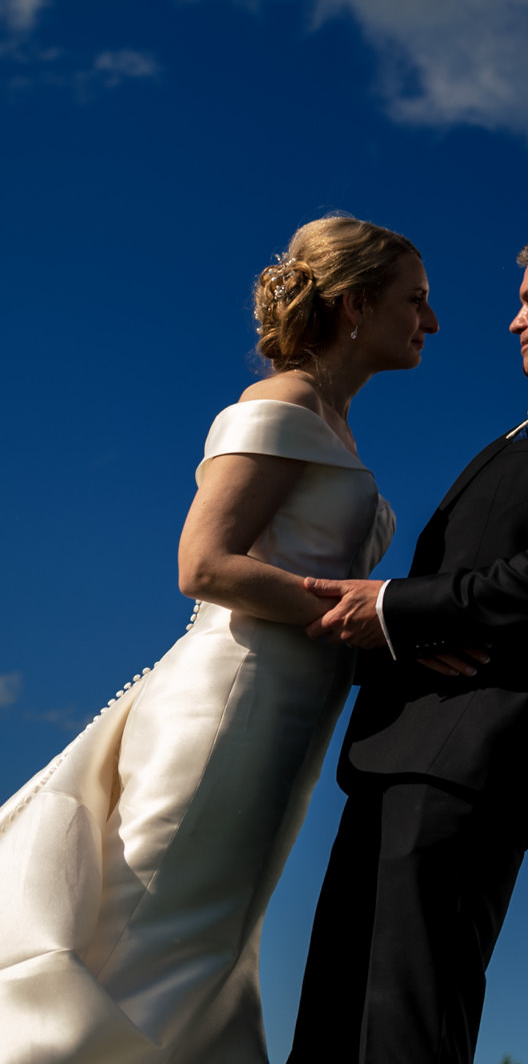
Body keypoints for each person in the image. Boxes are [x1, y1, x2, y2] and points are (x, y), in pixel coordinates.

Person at [0, 216, 438, 1063]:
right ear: (354, 304)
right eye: (415, 300)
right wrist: (364, 613)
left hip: (286, 715)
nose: (431, 320)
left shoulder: (335, 422)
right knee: (160, 940)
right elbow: (204, 562)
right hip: (235, 698)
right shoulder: (282, 403)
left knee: (209, 950)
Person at [288, 224, 528, 1064]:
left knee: (404, 1028)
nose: (515, 318)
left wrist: (398, 608)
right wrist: (398, 632)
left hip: (473, 756)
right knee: (335, 1018)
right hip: (409, 753)